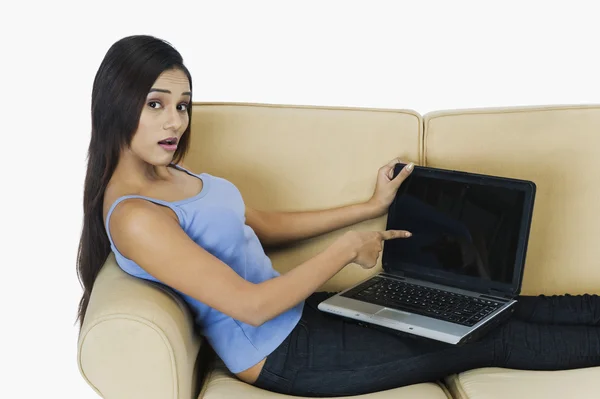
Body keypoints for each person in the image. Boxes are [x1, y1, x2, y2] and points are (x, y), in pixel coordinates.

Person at [76, 35, 600, 397]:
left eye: (183, 104)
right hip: (285, 355)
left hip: (304, 319)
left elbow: (255, 222)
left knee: (496, 306)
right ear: (117, 104)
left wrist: (369, 208)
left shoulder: (170, 175)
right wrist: (344, 250)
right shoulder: (136, 217)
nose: (175, 121)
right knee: (490, 336)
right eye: (156, 104)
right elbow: (251, 306)